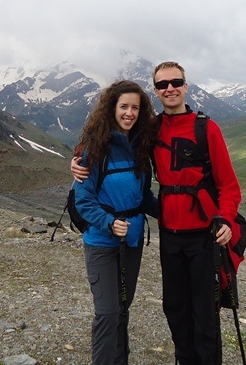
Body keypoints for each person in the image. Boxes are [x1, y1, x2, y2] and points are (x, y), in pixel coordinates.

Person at [72, 62, 242, 365]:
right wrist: (77, 159)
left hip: (204, 234)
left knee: (205, 313)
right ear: (156, 91)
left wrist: (227, 219)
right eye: (163, 85)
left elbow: (228, 184)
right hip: (170, 236)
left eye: (176, 82)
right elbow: (109, 142)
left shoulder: (206, 128)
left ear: (186, 86)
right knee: (175, 308)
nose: (170, 88)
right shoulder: (152, 128)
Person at [72, 80, 158, 365]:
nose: (130, 113)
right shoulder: (94, 149)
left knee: (122, 309)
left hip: (131, 243)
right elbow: (83, 201)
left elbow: (143, 196)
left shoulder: (140, 146)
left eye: (135, 107)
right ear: (112, 109)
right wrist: (109, 223)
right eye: (124, 106)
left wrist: (176, 214)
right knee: (107, 312)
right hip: (101, 243)